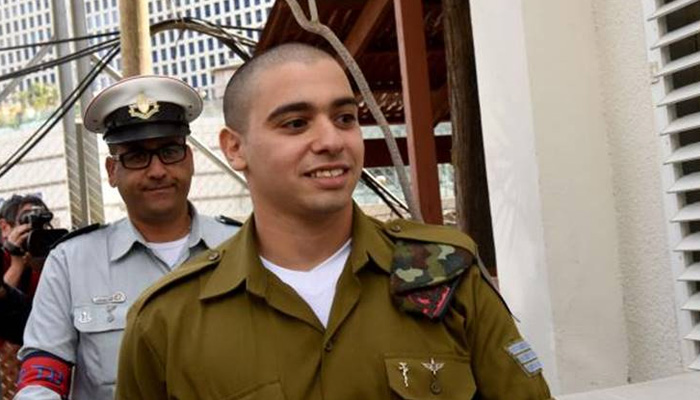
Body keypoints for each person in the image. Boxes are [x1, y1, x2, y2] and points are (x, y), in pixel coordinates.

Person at [116, 43, 552, 400]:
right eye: (296, 123)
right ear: (235, 148)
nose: (330, 140)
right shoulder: (168, 321)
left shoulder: (445, 273)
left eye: (345, 118)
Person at [14, 76, 241, 400]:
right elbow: (42, 376)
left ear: (189, 159)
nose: (157, 170)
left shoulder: (242, 247)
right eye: (136, 156)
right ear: (112, 171)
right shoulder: (71, 263)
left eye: (170, 151)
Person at [0, 194, 50, 345]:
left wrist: (41, 267)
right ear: (4, 227)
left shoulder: (49, 259)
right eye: (26, 222)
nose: (33, 231)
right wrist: (17, 265)